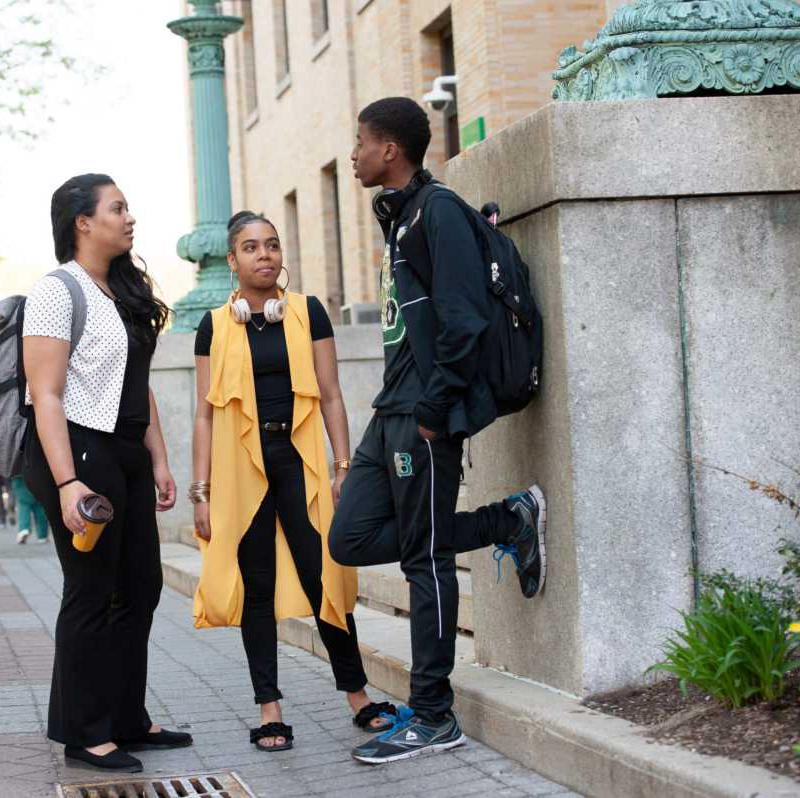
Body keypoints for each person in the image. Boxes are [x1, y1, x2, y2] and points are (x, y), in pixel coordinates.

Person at [329, 97, 547, 765]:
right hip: (389, 413)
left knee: (424, 561)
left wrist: (432, 413)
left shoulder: (439, 212)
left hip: (421, 417)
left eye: (361, 141)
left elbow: (464, 322)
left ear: (389, 148)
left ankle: (433, 715)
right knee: (350, 536)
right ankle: (503, 521)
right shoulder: (403, 217)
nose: (354, 153)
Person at [192, 211, 403, 753]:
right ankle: (270, 710)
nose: (264, 255)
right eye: (250, 247)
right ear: (233, 261)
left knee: (324, 577)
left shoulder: (308, 312)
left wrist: (343, 466)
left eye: (272, 245)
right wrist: (201, 492)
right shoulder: (214, 326)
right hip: (243, 468)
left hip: (300, 459)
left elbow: (330, 394)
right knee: (256, 586)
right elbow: (205, 415)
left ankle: (357, 697)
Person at [22, 173, 189, 773]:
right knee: (92, 590)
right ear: (83, 223)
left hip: (127, 452)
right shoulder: (56, 291)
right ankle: (84, 732)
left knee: (141, 586)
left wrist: (161, 460)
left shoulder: (122, 289)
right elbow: (46, 395)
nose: (130, 217)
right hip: (78, 451)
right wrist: (68, 483)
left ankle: (127, 718)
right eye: (117, 208)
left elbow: (135, 385)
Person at [11, 473, 48, 544]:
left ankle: (24, 528)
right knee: (39, 503)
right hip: (36, 471)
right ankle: (42, 535)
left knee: (23, 502)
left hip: (17, 472)